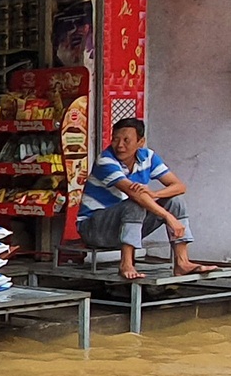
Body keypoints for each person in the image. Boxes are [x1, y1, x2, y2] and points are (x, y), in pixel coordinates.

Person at [76, 118, 216, 280]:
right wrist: (167, 217)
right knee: (134, 204)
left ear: (140, 142)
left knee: (175, 201)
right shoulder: (105, 160)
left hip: (125, 226)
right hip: (94, 228)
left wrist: (155, 194)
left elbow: (179, 186)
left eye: (126, 140)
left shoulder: (148, 157)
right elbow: (134, 194)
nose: (120, 145)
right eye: (115, 139)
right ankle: (126, 264)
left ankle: (182, 263)